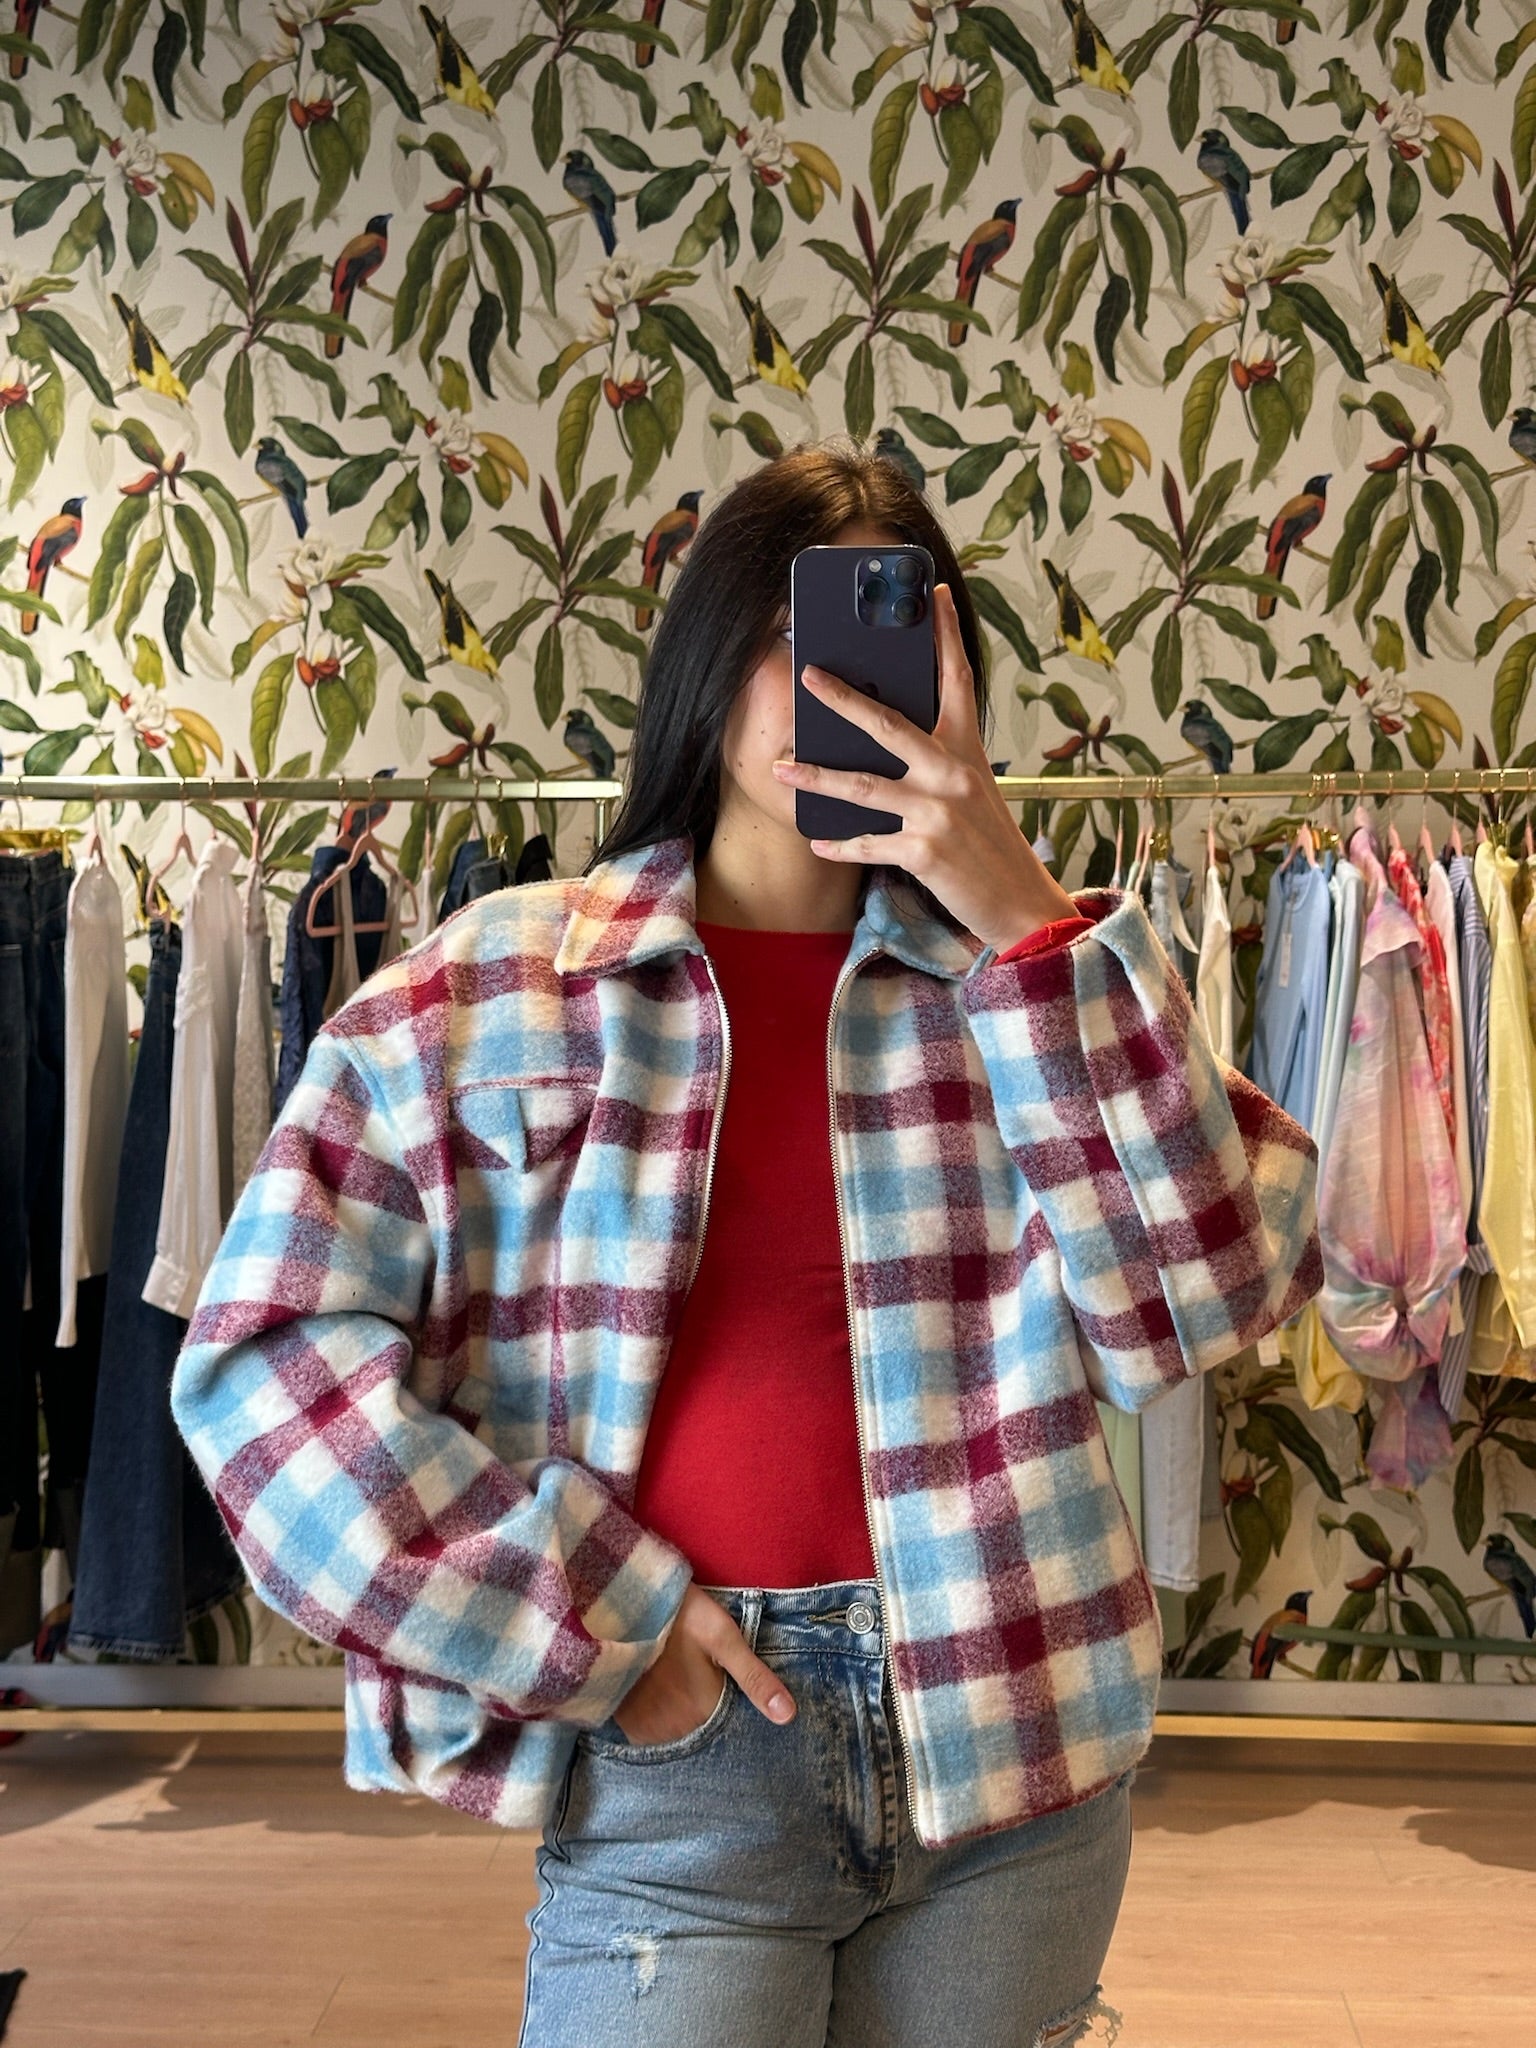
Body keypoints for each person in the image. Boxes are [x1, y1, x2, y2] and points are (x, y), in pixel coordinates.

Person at [172, 443, 1322, 2047]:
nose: (835, 681)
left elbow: (1215, 1291)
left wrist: (1018, 908)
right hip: (681, 1755)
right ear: (709, 662)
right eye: (794, 631)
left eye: (890, 634)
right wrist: (590, 1615)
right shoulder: (491, 990)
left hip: (1015, 1738)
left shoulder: (1040, 983)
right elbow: (260, 1374)